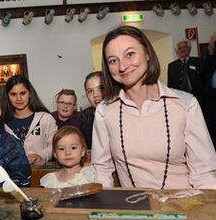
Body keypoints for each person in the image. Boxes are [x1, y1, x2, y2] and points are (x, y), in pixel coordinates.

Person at [92, 25, 216, 189]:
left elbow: (204, 172)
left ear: (148, 54)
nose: (122, 67)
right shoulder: (105, 111)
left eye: (130, 54)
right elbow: (101, 170)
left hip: (186, 205)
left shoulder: (186, 104)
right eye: (113, 60)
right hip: (134, 208)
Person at [0, 74, 57, 165]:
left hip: (40, 174)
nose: (19, 98)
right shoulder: (2, 123)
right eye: (13, 94)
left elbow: (55, 145)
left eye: (23, 93)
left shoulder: (45, 118)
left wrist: (40, 156)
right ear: (8, 96)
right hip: (12, 176)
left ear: (30, 93)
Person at [167, 39, 204, 105]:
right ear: (177, 51)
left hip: (198, 98)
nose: (182, 50)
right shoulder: (172, 66)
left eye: (185, 47)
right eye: (180, 48)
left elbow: (204, 80)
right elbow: (170, 85)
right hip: (180, 98)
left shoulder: (198, 61)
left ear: (189, 49)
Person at [78, 71, 104, 151]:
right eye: (90, 91)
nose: (96, 95)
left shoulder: (122, 112)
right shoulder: (85, 116)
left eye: (101, 88)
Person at [202, 32, 216, 147]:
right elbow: (204, 72)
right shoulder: (211, 56)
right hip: (212, 95)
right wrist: (210, 52)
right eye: (213, 42)